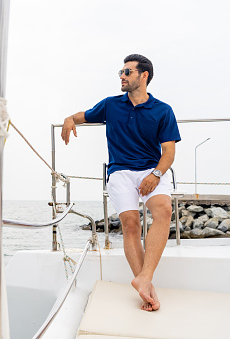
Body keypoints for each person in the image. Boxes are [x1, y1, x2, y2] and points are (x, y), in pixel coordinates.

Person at [61, 54, 181, 312]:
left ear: (143, 76)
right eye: (121, 72)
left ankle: (144, 278)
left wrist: (155, 176)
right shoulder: (110, 105)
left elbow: (168, 153)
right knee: (130, 224)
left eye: (127, 72)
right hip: (120, 171)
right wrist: (69, 118)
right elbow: (85, 115)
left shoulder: (163, 110)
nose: (122, 77)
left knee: (163, 211)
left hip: (153, 169)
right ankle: (145, 287)